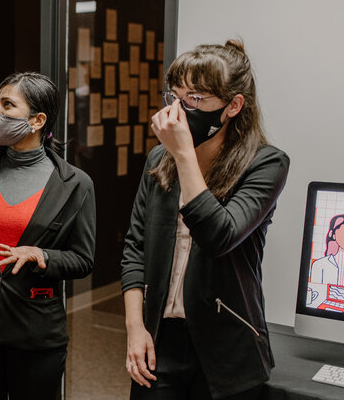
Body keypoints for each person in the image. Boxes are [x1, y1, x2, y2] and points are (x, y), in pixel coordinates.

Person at [120, 39, 290, 399]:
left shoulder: (267, 164)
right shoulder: (157, 160)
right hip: (160, 340)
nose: (179, 111)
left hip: (227, 345)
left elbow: (218, 235)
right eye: (175, 97)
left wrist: (184, 154)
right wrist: (135, 328)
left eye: (195, 100)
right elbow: (135, 248)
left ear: (233, 106)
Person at [0, 72, 96, 400]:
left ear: (38, 120)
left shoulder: (75, 184)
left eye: (7, 105)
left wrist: (41, 255)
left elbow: (83, 259)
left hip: (36, 332)